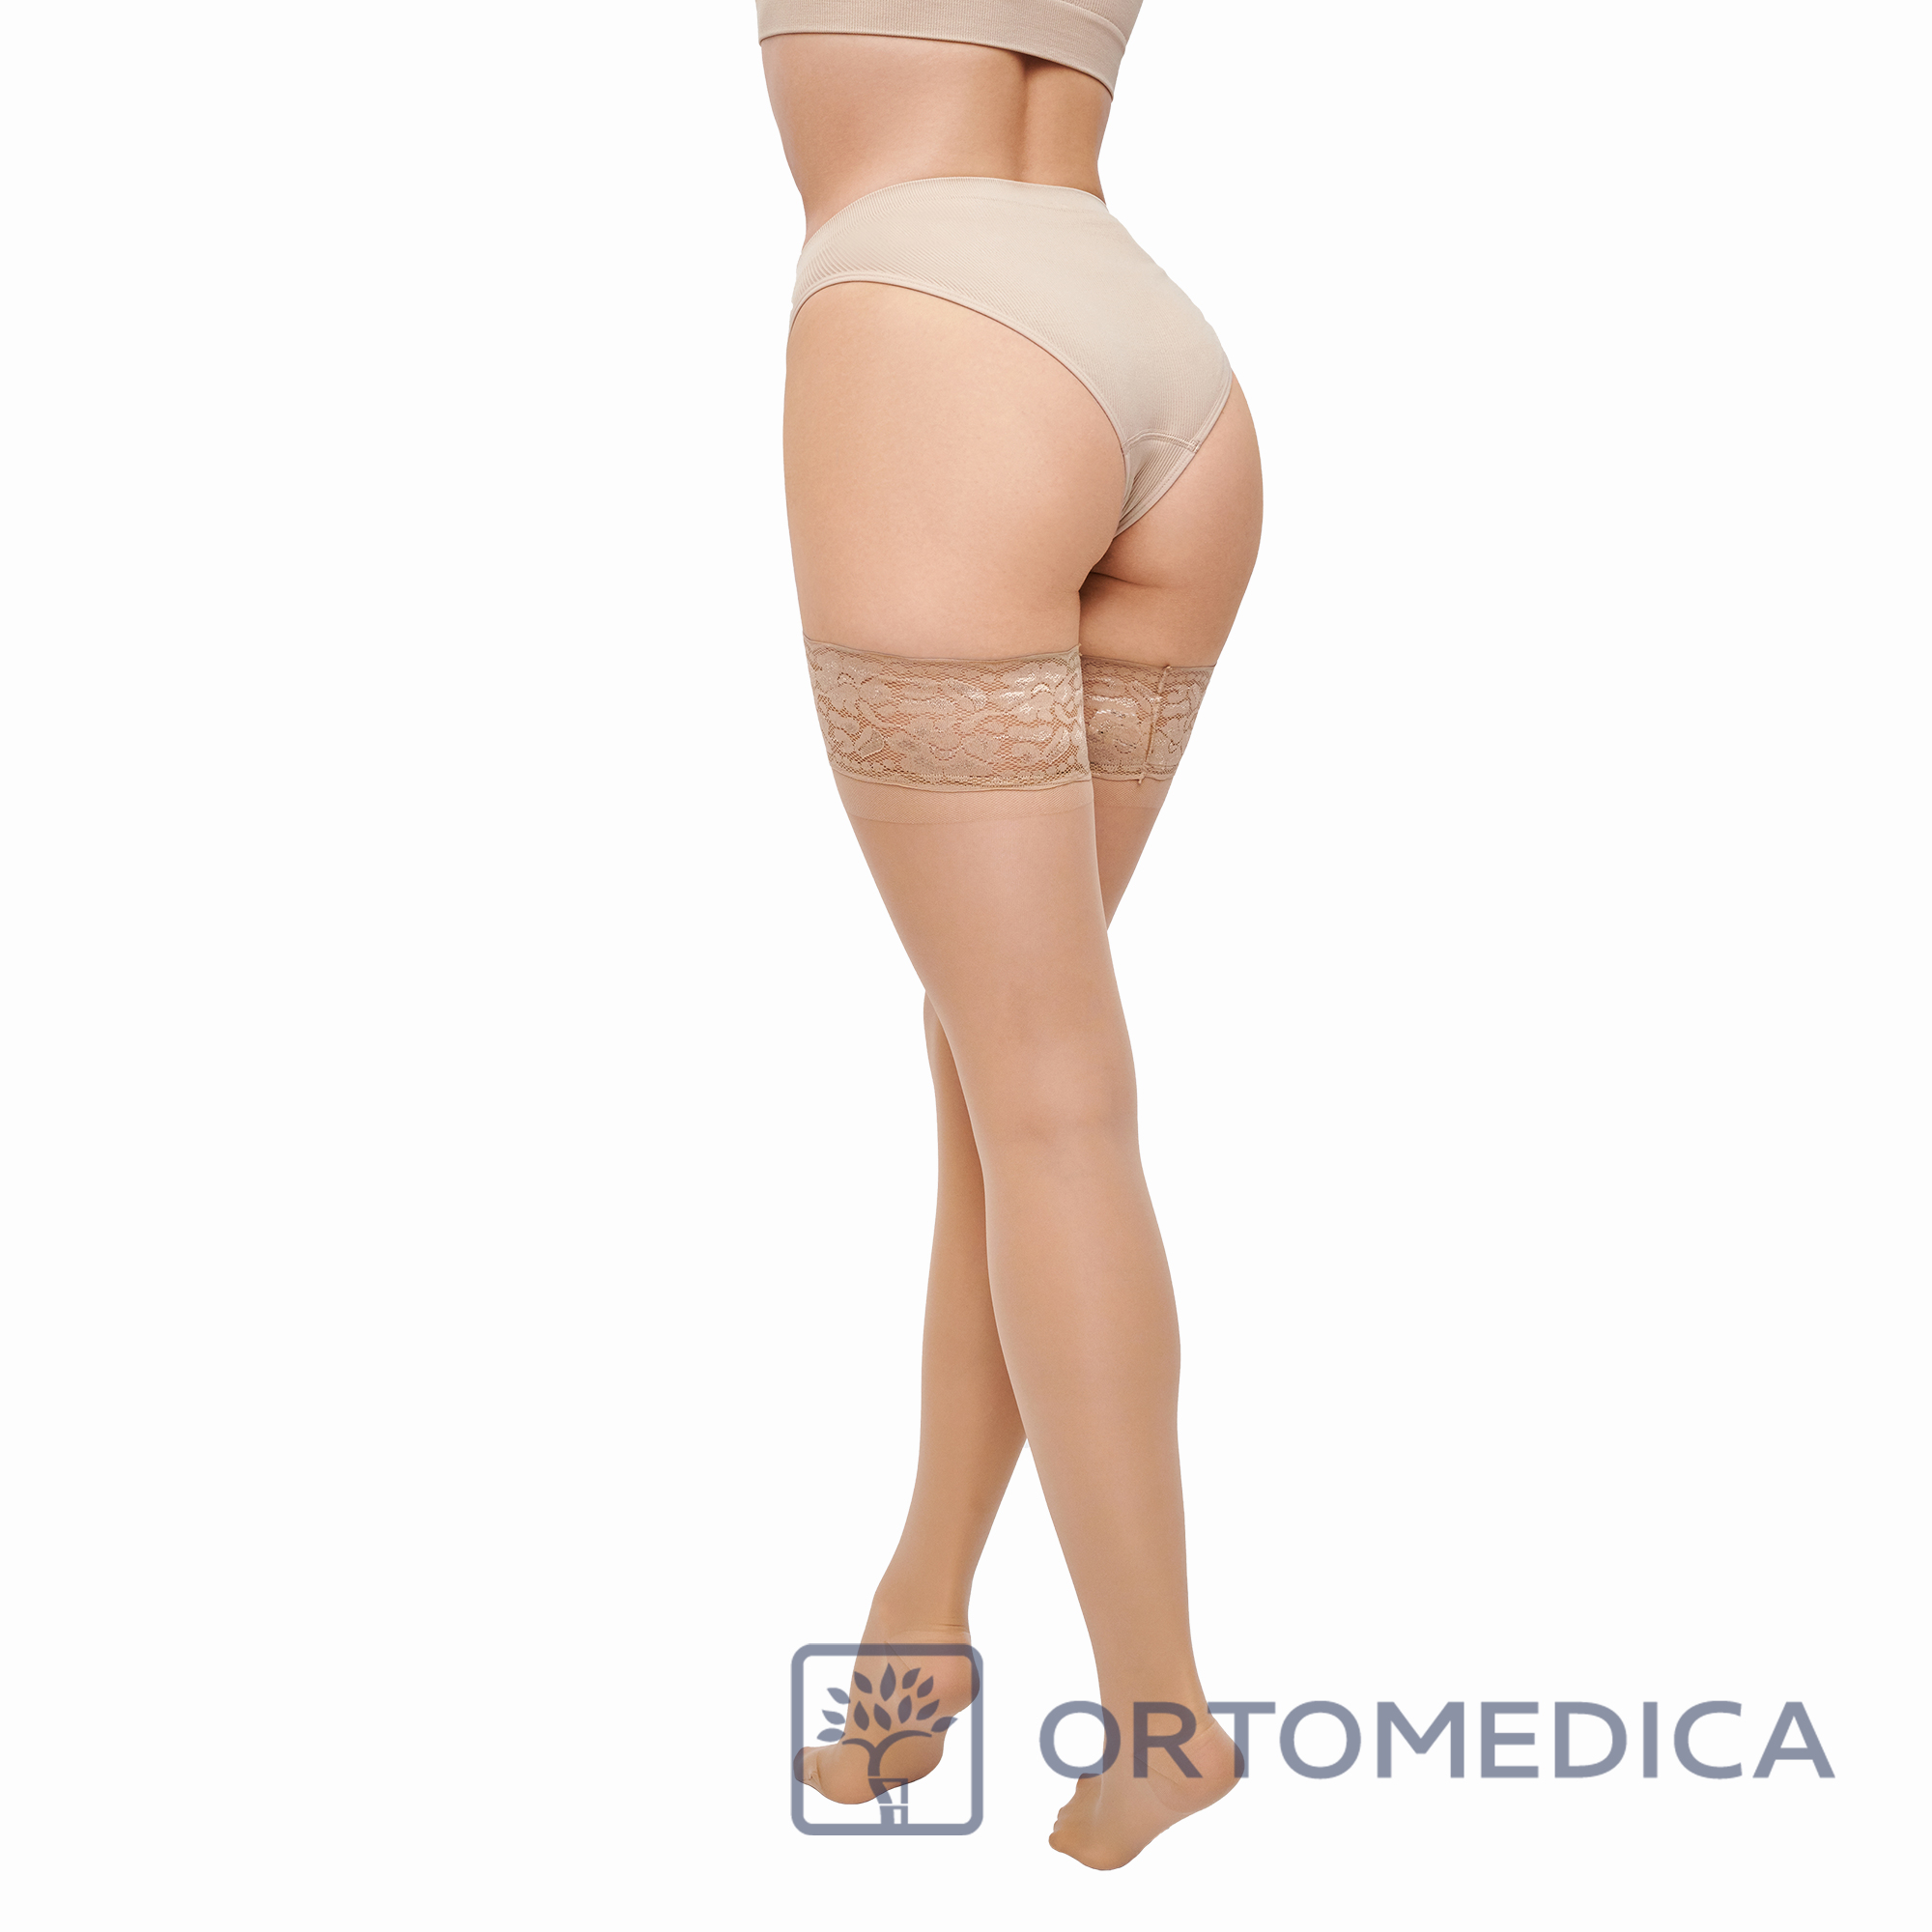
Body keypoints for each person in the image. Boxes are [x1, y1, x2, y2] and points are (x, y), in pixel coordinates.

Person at [762, 2, 1263, 1869]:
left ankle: (1162, 1720)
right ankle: (923, 1612)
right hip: (1152, 350)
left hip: (936, 348)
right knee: (1002, 1057)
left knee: (1042, 1084)